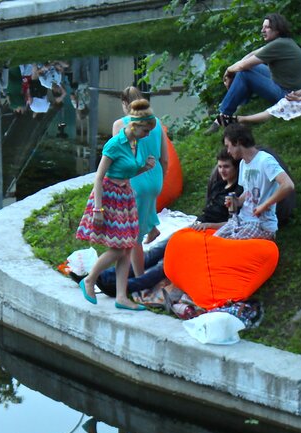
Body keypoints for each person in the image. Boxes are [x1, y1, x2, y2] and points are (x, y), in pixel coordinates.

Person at [90, 149, 240, 298]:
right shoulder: (219, 184)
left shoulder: (238, 192)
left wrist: (208, 226)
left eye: (226, 167)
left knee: (169, 261)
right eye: (220, 167)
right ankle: (102, 277)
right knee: (156, 251)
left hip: (211, 233)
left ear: (236, 168)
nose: (222, 171)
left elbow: (234, 223)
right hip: (197, 227)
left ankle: (123, 287)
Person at [76, 99, 158, 311]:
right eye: (146, 130)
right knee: (117, 249)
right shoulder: (114, 145)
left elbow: (127, 171)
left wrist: (144, 168)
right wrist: (98, 208)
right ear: (134, 126)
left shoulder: (135, 144)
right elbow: (99, 177)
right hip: (109, 196)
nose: (148, 134)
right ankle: (89, 279)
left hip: (125, 196)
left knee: (128, 246)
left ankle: (121, 296)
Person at [209, 13, 301, 131]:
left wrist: (229, 71)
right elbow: (252, 55)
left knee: (244, 73)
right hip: (286, 87)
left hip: (288, 94)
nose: (263, 30)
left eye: (267, 27)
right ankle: (240, 104)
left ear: (277, 29)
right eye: (262, 27)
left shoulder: (278, 45)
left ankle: (223, 116)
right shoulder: (283, 42)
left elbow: (243, 66)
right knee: (251, 68)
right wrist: (233, 68)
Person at [111, 86, 169, 277]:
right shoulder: (157, 123)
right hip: (156, 176)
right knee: (146, 204)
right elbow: (165, 158)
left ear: (125, 104)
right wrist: (163, 177)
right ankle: (152, 228)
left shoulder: (121, 124)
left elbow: (119, 158)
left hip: (136, 178)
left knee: (133, 236)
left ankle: (139, 278)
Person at [216, 123, 294, 241]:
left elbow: (288, 185)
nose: (228, 151)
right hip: (242, 219)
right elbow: (248, 193)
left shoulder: (265, 160)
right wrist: (236, 202)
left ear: (237, 142)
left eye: (228, 146)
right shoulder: (243, 163)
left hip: (261, 223)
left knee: (229, 248)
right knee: (215, 241)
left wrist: (265, 205)